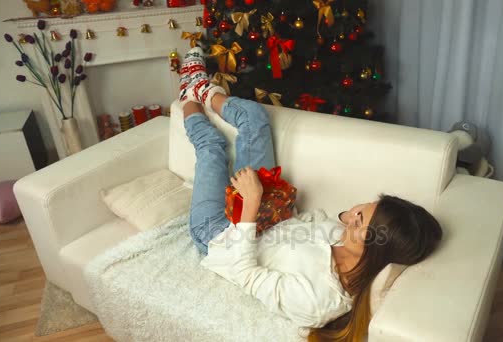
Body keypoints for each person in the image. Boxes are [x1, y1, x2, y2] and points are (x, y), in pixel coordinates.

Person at [179, 47, 443, 342]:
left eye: (359, 219)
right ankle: (201, 90)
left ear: (374, 247)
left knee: (212, 149)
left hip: (220, 235)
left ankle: (187, 95)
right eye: (364, 207)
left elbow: (245, 275)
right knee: (254, 118)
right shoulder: (343, 236)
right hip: (267, 214)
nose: (352, 212)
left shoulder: (321, 300)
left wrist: (251, 206)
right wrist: (281, 202)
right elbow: (313, 219)